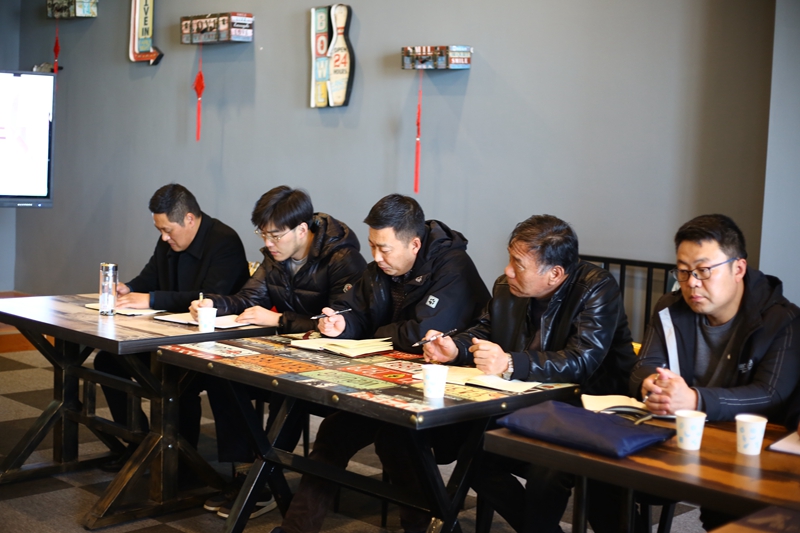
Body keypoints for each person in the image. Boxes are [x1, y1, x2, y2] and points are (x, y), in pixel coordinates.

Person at [272, 193, 490, 533]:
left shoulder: (453, 266)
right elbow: (354, 309)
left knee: (397, 438)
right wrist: (341, 323)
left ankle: (427, 526)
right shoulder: (380, 268)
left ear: (414, 244)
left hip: (449, 395)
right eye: (372, 245)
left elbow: (423, 334)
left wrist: (374, 331)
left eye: (384, 249)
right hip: (390, 384)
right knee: (333, 432)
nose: (375, 257)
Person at [420, 214, 637, 533]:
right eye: (510, 258)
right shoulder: (506, 287)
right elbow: (485, 330)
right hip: (528, 405)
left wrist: (510, 363)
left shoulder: (595, 288)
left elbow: (581, 361)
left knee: (547, 471)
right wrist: (456, 348)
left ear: (555, 274)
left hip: (590, 411)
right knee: (472, 452)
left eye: (518, 264)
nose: (508, 270)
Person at [189, 186, 367, 519]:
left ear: (302, 229)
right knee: (221, 375)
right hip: (289, 353)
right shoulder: (276, 258)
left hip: (332, 362)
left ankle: (264, 480)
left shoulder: (342, 259)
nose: (268, 243)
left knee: (286, 389)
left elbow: (344, 323)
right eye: (263, 234)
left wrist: (278, 320)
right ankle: (246, 473)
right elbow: (248, 298)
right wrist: (214, 303)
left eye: (275, 235)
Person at [630, 214, 800, 530]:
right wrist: (652, 384)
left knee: (728, 514)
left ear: (738, 269)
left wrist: (694, 400)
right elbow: (644, 366)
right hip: (674, 440)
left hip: (741, 452)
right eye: (683, 271)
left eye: (704, 270)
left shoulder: (781, 320)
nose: (692, 282)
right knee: (604, 477)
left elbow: (770, 394)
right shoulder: (670, 308)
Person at [93, 184, 249, 471]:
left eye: (168, 230)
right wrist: (130, 288)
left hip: (214, 346)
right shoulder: (169, 240)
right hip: (170, 336)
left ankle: (182, 462)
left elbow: (210, 297)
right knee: (108, 361)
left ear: (189, 219)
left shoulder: (224, 242)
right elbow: (151, 275)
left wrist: (151, 299)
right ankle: (139, 442)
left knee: (176, 376)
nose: (164, 237)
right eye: (160, 231)